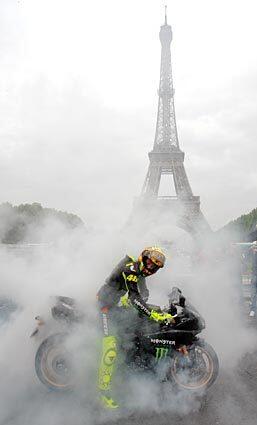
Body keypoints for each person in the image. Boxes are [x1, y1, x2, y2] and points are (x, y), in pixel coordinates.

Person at [97, 246, 174, 409]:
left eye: (155, 267)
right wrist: (153, 314)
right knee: (110, 348)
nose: (150, 268)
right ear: (143, 258)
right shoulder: (131, 269)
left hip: (115, 305)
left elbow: (143, 293)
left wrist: (156, 308)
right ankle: (103, 392)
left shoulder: (139, 272)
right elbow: (134, 298)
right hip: (104, 307)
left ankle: (130, 367)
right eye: (150, 263)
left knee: (135, 329)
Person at [249, 243, 257, 317]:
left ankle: (253, 310)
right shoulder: (253, 253)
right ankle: (253, 310)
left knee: (254, 294)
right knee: (253, 294)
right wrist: (253, 252)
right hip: (254, 275)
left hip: (254, 275)